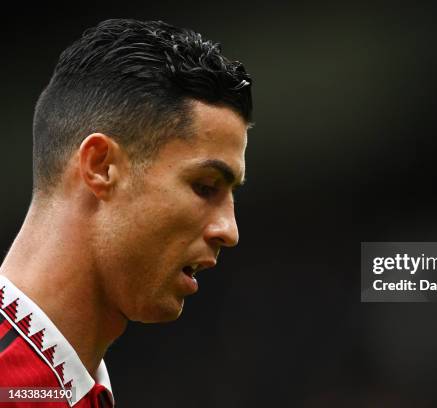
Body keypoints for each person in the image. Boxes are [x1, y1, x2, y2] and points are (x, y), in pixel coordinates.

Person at [0, 18, 253, 407]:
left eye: (230, 195)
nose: (229, 230)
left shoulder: (67, 388)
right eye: (204, 187)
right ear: (101, 167)